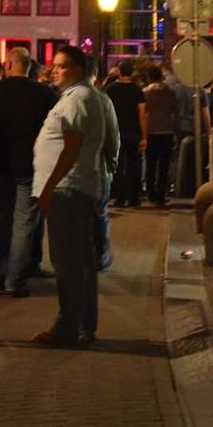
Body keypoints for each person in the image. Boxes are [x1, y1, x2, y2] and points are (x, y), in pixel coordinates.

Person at [31, 45, 108, 347]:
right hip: (76, 188)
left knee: (68, 264)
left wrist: (49, 187)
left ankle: (67, 327)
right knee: (82, 263)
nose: (54, 71)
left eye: (61, 66)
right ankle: (84, 326)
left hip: (68, 190)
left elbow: (71, 147)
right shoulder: (86, 96)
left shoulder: (78, 98)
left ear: (77, 69)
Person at [0, 46, 55, 296]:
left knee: (5, 217)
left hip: (0, 164)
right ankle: (16, 279)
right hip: (30, 165)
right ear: (29, 66)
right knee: (24, 223)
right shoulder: (45, 94)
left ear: (8, 65)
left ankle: (1, 270)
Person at [86, 56, 120, 271]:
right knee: (99, 213)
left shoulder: (64, 98)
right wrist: (112, 164)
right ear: (96, 74)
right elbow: (113, 136)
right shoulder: (102, 99)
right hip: (99, 168)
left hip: (74, 171)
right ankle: (101, 254)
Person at [105, 60, 146, 207]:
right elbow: (142, 114)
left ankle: (119, 197)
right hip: (134, 132)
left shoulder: (110, 89)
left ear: (119, 71)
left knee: (118, 165)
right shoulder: (137, 90)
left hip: (116, 132)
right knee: (134, 164)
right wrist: (144, 136)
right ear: (132, 72)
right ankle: (134, 197)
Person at [143, 65, 179, 207]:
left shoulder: (145, 92)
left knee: (151, 163)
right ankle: (160, 195)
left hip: (151, 131)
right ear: (161, 77)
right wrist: (177, 131)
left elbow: (143, 113)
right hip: (167, 131)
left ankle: (151, 193)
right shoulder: (170, 93)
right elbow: (176, 113)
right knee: (164, 165)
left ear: (149, 77)